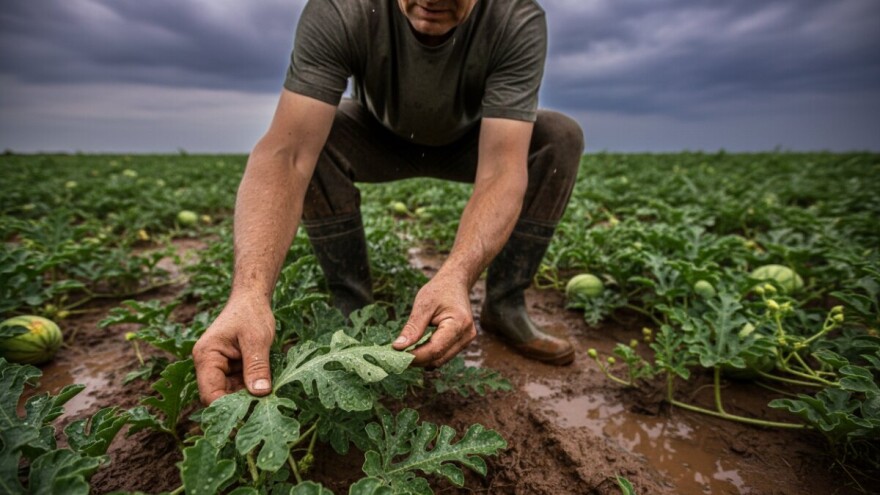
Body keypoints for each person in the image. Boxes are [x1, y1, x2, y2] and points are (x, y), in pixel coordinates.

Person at [193, 0, 585, 405]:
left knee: (559, 137)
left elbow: (501, 171)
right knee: (312, 136)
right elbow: (286, 156)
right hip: (374, 135)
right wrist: (250, 294)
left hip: (471, 140)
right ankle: (352, 304)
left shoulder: (514, 19)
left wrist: (456, 275)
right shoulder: (343, 9)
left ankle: (505, 305)